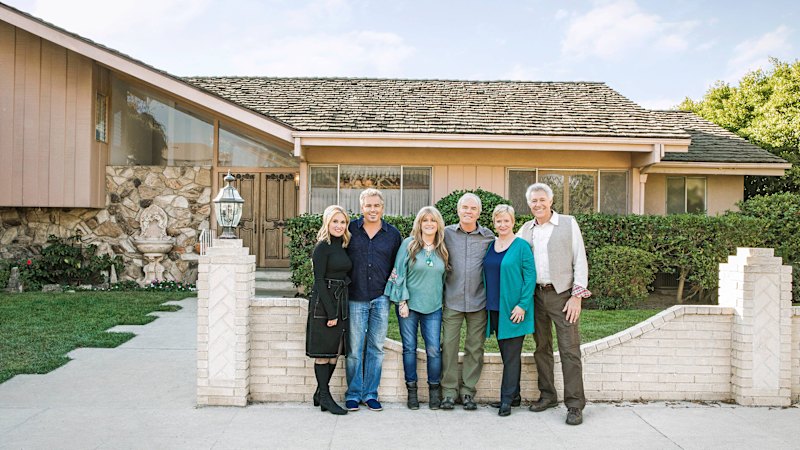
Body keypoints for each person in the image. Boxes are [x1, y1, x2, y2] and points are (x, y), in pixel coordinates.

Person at [516, 182, 591, 426]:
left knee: (569, 349)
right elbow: (510, 252)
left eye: (542, 200)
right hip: (536, 296)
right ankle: (547, 395)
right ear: (529, 205)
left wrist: (577, 296)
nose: (538, 204)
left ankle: (575, 404)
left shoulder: (568, 223)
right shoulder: (526, 229)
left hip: (563, 295)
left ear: (550, 201)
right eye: (533, 201)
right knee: (542, 348)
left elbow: (580, 259)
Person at [385, 206, 449, 410]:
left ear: (438, 224)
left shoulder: (442, 248)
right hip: (409, 307)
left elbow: (444, 278)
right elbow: (398, 273)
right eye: (425, 220)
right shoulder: (409, 244)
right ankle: (411, 392)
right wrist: (402, 302)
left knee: (433, 351)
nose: (429, 223)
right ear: (419, 223)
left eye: (433, 220)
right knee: (409, 349)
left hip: (433, 307)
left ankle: (434, 391)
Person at [345, 188, 402, 412]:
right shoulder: (350, 230)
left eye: (376, 205)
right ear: (362, 207)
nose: (372, 209)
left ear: (382, 207)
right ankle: (353, 393)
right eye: (368, 205)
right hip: (355, 297)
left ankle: (370, 394)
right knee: (354, 348)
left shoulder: (393, 234)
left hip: (381, 297)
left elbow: (398, 268)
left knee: (376, 348)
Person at [440, 193, 495, 410]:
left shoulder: (489, 236)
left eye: (473, 208)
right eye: (465, 207)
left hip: (478, 301)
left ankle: (468, 392)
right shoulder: (446, 234)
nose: (468, 211)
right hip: (452, 299)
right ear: (458, 210)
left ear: (479, 213)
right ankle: (449, 392)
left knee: (475, 348)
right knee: (449, 347)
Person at [483, 204, 535, 417]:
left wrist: (522, 305)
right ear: (494, 223)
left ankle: (506, 400)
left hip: (514, 310)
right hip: (494, 309)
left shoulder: (521, 246)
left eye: (506, 221)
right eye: (499, 221)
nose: (502, 224)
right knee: (507, 355)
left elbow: (530, 277)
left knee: (512, 356)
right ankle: (515, 396)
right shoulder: (490, 245)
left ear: (513, 222)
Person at [305, 205, 352, 416]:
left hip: (340, 300)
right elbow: (320, 282)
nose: (339, 226)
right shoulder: (322, 247)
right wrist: (331, 312)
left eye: (343, 222)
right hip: (324, 304)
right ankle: (325, 396)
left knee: (334, 353)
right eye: (335, 221)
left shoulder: (342, 245)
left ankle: (319, 393)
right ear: (327, 222)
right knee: (323, 354)